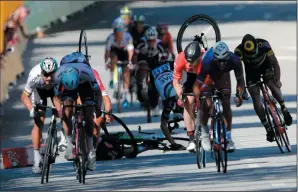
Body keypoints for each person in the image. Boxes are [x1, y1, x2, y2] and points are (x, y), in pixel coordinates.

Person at [234, 34, 293, 142]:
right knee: (256, 98)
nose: (252, 56)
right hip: (251, 72)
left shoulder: (264, 44)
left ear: (257, 45)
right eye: (249, 55)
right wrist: (242, 90)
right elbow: (239, 74)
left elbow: (275, 63)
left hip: (266, 66)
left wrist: (278, 80)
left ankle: (284, 109)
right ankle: (268, 128)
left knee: (271, 83)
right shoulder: (238, 52)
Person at [52, 52, 102, 171]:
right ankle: (69, 143)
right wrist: (60, 110)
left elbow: (98, 93)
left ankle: (90, 149)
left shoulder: (88, 73)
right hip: (68, 86)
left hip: (85, 85)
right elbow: (56, 97)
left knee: (89, 114)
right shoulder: (58, 76)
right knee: (67, 111)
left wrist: (98, 108)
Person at [194, 41, 246, 152]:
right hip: (208, 76)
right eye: (220, 61)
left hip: (223, 76)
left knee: (226, 103)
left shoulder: (235, 60)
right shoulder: (208, 61)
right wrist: (198, 99)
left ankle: (228, 137)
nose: (222, 63)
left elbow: (240, 81)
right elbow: (197, 85)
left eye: (224, 61)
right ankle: (204, 133)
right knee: (206, 105)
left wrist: (239, 95)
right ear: (215, 57)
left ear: (228, 57)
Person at [21, 57, 61, 173]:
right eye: (45, 74)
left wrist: (60, 110)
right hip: (38, 91)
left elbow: (59, 96)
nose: (48, 78)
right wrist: (31, 110)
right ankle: (37, 157)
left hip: (54, 91)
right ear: (41, 72)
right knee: (39, 120)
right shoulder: (34, 76)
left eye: (51, 75)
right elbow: (24, 97)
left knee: (60, 112)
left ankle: (62, 137)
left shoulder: (59, 76)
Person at [173, 41, 213, 152]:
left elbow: (209, 81)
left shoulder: (205, 59)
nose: (189, 63)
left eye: (192, 61)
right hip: (191, 76)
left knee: (208, 102)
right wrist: (180, 94)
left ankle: (211, 131)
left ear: (198, 57)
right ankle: (191, 139)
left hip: (204, 76)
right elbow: (176, 82)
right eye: (187, 60)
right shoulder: (181, 58)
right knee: (187, 102)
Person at [134, 27, 166, 111]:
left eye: (153, 40)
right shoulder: (141, 42)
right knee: (141, 69)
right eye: (149, 41)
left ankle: (157, 98)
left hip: (154, 60)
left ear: (156, 39)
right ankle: (140, 89)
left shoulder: (159, 44)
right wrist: (134, 63)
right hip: (143, 60)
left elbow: (165, 55)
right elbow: (134, 54)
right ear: (146, 39)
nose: (151, 42)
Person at [105, 17, 134, 108]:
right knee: (113, 59)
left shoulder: (128, 36)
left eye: (120, 30)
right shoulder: (110, 37)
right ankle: (113, 77)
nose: (118, 33)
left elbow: (130, 50)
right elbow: (107, 52)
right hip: (114, 51)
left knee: (126, 71)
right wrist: (107, 61)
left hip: (124, 52)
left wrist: (129, 61)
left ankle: (125, 94)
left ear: (123, 30)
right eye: (116, 30)